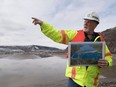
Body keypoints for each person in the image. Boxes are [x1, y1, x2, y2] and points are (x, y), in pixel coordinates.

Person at [32, 12, 112, 87]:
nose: (85, 23)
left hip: (92, 82)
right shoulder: (74, 34)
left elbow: (108, 56)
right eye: (85, 21)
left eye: (89, 21)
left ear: (95, 24)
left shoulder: (100, 40)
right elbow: (56, 34)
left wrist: (107, 62)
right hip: (74, 81)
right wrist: (43, 24)